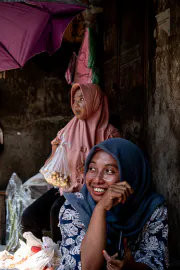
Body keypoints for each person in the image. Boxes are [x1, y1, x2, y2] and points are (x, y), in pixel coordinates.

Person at [45, 138, 168, 270]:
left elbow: (156, 263)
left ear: (131, 173)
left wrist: (131, 267)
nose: (97, 179)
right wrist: (100, 209)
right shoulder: (74, 207)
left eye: (109, 171)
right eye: (92, 168)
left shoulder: (151, 208)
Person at [21, 83, 120, 242]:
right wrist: (55, 151)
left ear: (94, 102)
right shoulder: (66, 131)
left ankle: (64, 259)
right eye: (74, 100)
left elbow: (117, 170)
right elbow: (52, 166)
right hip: (66, 189)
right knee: (29, 217)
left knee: (57, 212)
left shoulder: (109, 134)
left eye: (82, 99)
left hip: (93, 192)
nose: (76, 104)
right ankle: (43, 258)